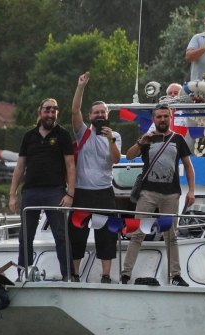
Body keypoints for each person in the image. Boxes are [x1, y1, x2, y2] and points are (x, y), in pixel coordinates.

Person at [121, 103, 195, 286]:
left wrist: (192, 191)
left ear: (170, 118)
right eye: (159, 116)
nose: (162, 119)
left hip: (171, 195)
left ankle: (175, 275)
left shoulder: (178, 139)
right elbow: (129, 156)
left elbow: (188, 166)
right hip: (147, 193)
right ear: (154, 119)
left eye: (165, 116)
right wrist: (141, 141)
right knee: (137, 233)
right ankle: (125, 274)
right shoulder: (147, 139)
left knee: (171, 235)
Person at [9, 98, 76, 281]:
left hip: (55, 191)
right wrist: (12, 195)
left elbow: (70, 166)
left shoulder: (63, 135)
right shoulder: (29, 136)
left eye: (54, 110)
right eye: (47, 110)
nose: (50, 113)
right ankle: (24, 274)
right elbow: (20, 167)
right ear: (40, 112)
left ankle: (68, 275)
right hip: (30, 192)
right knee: (25, 237)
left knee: (61, 236)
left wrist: (70, 193)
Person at [69, 72, 121, 283]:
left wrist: (110, 140)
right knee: (77, 233)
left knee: (107, 234)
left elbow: (116, 160)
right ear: (90, 116)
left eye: (103, 112)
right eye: (96, 113)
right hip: (82, 192)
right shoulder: (83, 132)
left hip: (103, 192)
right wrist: (80, 87)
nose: (100, 115)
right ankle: (75, 273)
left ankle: (106, 275)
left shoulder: (115, 135)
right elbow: (74, 111)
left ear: (107, 114)